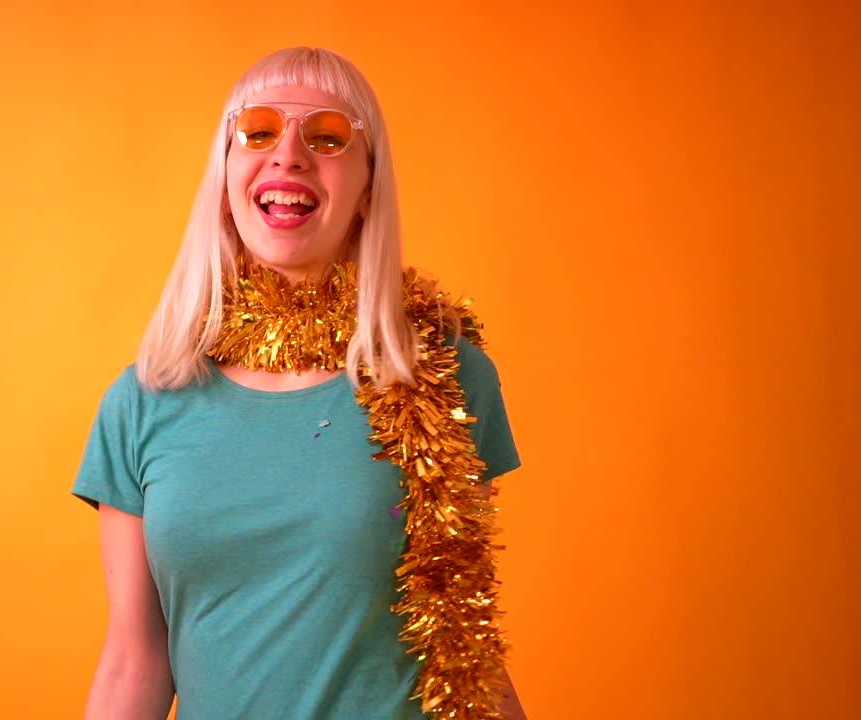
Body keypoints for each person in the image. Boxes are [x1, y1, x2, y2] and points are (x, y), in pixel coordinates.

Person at [72, 47, 526, 720]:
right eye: (258, 130)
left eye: (328, 135)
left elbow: (466, 647)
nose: (288, 154)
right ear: (226, 175)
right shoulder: (144, 400)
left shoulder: (443, 377)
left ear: (368, 187)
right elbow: (134, 664)